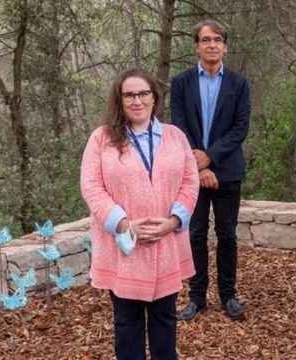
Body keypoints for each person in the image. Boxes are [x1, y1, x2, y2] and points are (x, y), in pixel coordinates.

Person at [80, 68, 199, 360]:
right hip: (125, 248)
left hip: (164, 243)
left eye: (143, 93)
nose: (136, 101)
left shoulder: (175, 137)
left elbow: (190, 180)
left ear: (154, 98)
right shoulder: (102, 139)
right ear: (119, 100)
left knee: (164, 323)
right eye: (129, 95)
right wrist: (124, 224)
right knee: (127, 325)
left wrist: (172, 221)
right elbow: (91, 186)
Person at [171, 19, 251, 321]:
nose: (212, 44)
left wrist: (210, 159)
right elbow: (178, 126)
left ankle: (228, 296)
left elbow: (239, 128)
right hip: (191, 172)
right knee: (195, 235)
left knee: (227, 235)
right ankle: (196, 298)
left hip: (228, 172)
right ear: (197, 46)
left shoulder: (239, 84)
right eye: (206, 40)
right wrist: (198, 166)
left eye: (217, 39)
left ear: (225, 46)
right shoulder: (181, 83)